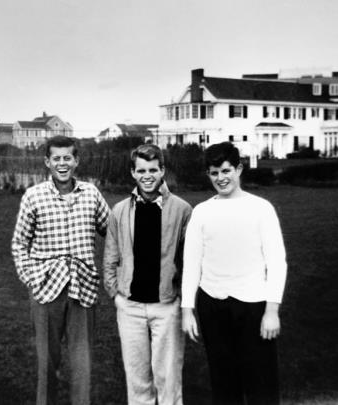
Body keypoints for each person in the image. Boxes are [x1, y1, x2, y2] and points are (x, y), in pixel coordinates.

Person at [181, 142, 287, 405]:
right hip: (212, 305)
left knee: (261, 381)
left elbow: (277, 261)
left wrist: (272, 310)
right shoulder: (202, 212)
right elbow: (192, 262)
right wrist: (187, 310)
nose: (221, 178)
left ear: (239, 169)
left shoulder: (261, 208)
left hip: (253, 305)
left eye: (226, 170)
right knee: (223, 380)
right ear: (208, 174)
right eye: (214, 173)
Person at [11, 135, 110, 405]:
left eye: (68, 158)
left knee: (82, 364)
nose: (62, 163)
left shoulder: (91, 194)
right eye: (57, 158)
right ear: (47, 162)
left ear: (76, 160)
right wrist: (30, 277)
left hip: (83, 289)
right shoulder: (34, 196)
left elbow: (112, 233)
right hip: (46, 291)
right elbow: (19, 242)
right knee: (47, 362)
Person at [104, 143, 192, 405]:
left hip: (166, 307)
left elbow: (189, 261)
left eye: (153, 169)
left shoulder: (182, 209)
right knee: (138, 380)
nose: (147, 176)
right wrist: (115, 294)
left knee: (168, 378)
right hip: (130, 307)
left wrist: (181, 300)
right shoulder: (120, 211)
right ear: (133, 172)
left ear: (162, 170)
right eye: (141, 170)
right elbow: (111, 255)